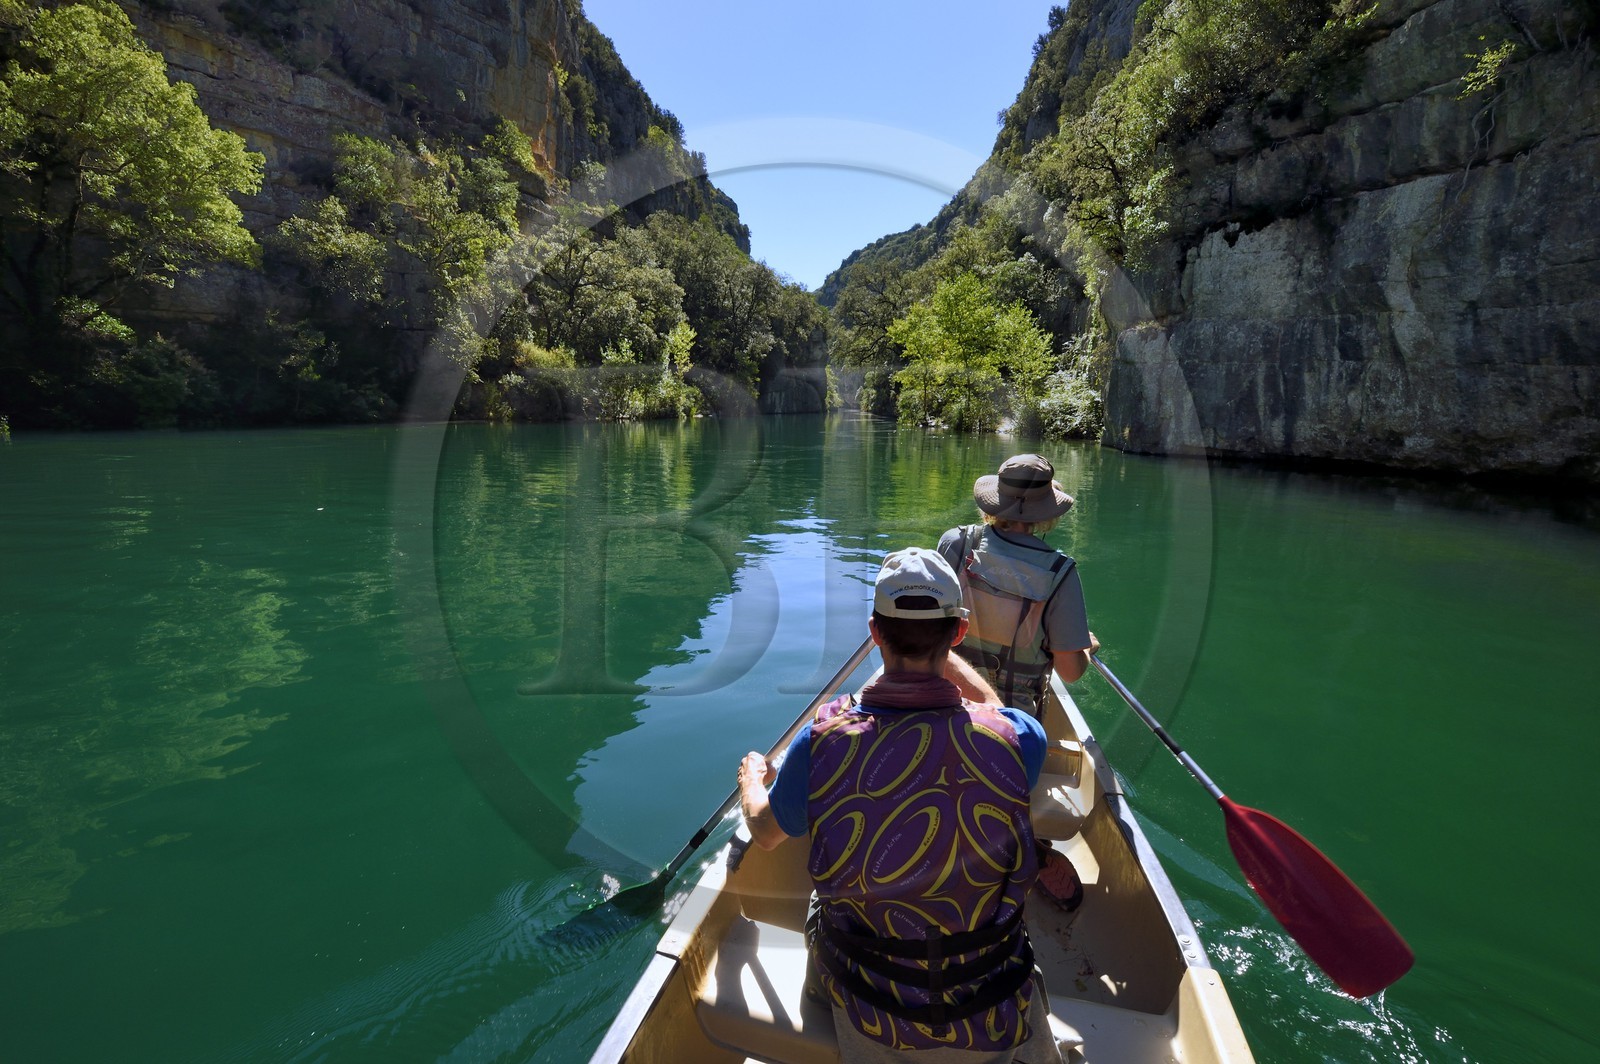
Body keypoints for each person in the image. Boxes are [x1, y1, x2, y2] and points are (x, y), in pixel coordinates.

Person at [737, 547, 1063, 1063]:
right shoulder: (1016, 740)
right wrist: (942, 653)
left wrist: (751, 780)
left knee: (820, 894)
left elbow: (767, 831)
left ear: (874, 631)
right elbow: (994, 711)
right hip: (987, 998)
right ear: (958, 633)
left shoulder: (824, 740)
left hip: (870, 1001)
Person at [936, 453, 1100, 721]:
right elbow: (1070, 673)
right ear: (1047, 512)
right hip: (1012, 722)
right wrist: (1084, 649)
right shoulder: (1060, 573)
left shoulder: (956, 543)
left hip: (942, 705)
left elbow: (928, 626)